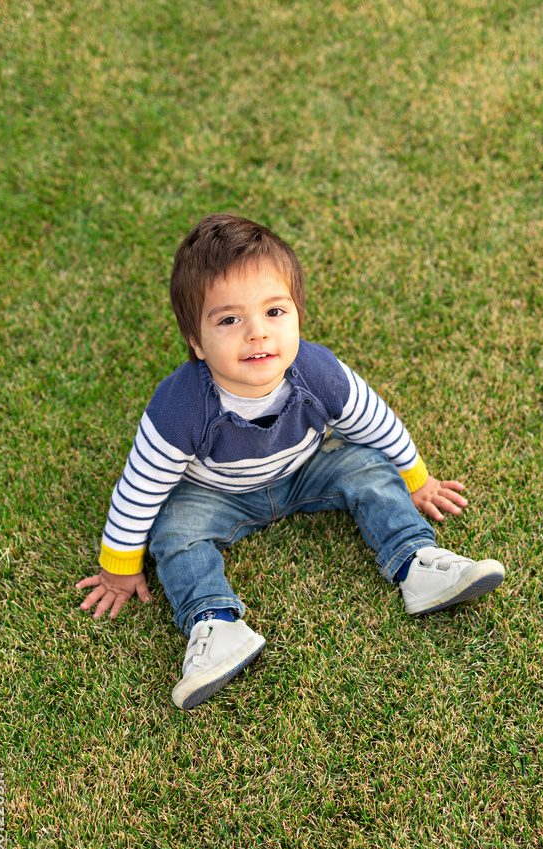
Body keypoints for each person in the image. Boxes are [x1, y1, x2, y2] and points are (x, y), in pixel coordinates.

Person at [76, 214, 505, 710]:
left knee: (366, 463)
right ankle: (215, 624)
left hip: (304, 471)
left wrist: (416, 478)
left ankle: (418, 565)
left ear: (298, 313)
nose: (257, 333)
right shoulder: (180, 406)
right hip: (216, 494)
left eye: (274, 312)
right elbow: (140, 487)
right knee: (172, 529)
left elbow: (374, 420)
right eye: (229, 319)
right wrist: (118, 567)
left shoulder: (318, 371)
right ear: (196, 341)